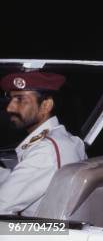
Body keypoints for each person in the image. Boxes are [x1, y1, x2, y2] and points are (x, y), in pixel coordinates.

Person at [0, 71, 87, 215]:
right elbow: (24, 177)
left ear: (46, 105)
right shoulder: (67, 139)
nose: (10, 108)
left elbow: (2, 205)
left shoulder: (45, 151)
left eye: (20, 99)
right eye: (11, 99)